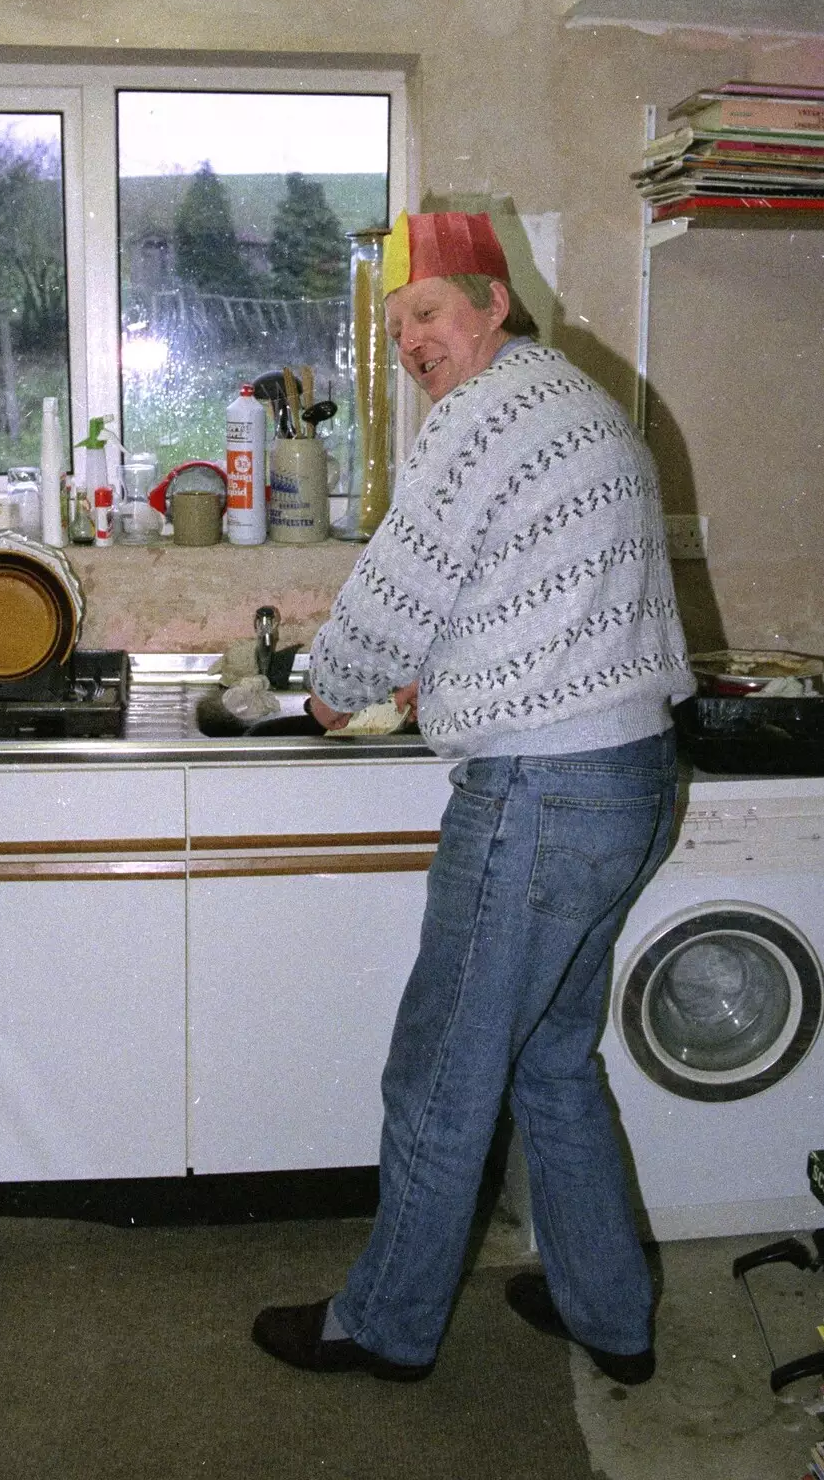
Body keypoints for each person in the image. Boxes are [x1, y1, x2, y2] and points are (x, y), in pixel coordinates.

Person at [252, 209, 695, 1386]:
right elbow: (528, 592)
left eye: (430, 312)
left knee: (439, 1071)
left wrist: (332, 689)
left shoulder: (483, 415)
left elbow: (399, 580)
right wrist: (436, 666)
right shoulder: (583, 403)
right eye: (397, 328)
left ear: (496, 302)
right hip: (632, 778)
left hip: (540, 795)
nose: (412, 343)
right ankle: (613, 1311)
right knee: (551, 1056)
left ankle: (385, 1324)